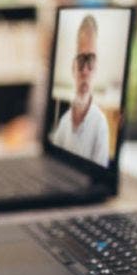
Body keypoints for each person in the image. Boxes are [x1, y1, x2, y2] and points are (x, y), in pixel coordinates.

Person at [50, 15, 110, 165]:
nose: (85, 71)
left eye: (91, 60)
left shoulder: (100, 125)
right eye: (81, 60)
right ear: (73, 69)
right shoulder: (64, 123)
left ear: (96, 68)